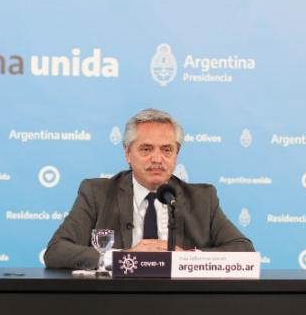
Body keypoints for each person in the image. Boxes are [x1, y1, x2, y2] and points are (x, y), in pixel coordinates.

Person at [44, 108, 253, 269]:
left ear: (176, 155)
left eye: (166, 150)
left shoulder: (202, 198)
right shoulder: (96, 193)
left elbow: (244, 251)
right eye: (146, 149)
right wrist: (122, 257)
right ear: (127, 153)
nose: (157, 159)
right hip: (114, 301)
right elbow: (55, 251)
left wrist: (188, 258)